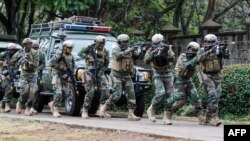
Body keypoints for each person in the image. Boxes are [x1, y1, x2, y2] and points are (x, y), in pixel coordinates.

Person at [164, 41, 214, 125]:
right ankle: (167, 115)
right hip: (179, 79)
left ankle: (201, 118)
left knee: (196, 98)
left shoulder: (196, 56)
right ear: (188, 48)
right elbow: (187, 65)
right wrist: (197, 58)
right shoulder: (183, 56)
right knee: (177, 97)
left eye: (196, 50)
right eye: (193, 49)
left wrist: (208, 52)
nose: (194, 51)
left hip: (188, 79)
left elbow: (200, 60)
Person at [99, 34, 141, 121]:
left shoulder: (129, 49)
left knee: (131, 94)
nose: (125, 43)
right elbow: (117, 56)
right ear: (119, 42)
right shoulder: (116, 48)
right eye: (124, 42)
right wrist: (128, 51)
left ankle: (131, 113)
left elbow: (137, 56)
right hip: (116, 75)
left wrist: (141, 51)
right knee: (116, 95)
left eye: (126, 42)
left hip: (127, 75)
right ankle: (104, 107)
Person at [196, 34, 229, 126]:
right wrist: (210, 51)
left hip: (217, 74)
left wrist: (224, 49)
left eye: (212, 42)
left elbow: (227, 57)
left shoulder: (219, 49)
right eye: (208, 42)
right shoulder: (202, 50)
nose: (210, 43)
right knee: (213, 95)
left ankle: (207, 116)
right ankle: (214, 118)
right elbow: (198, 59)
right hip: (205, 75)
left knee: (216, 96)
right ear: (205, 42)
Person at [144, 34, 175, 125]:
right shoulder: (151, 49)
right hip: (157, 74)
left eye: (159, 43)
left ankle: (167, 117)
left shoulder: (167, 48)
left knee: (170, 96)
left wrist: (166, 51)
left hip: (168, 73)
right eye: (155, 43)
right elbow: (146, 61)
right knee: (160, 93)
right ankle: (152, 109)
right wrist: (153, 52)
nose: (157, 44)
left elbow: (172, 58)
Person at [78, 35, 110, 119]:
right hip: (89, 72)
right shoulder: (90, 48)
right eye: (99, 43)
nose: (101, 45)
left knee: (106, 90)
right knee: (90, 92)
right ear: (96, 42)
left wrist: (102, 70)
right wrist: (88, 57)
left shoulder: (105, 51)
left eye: (102, 43)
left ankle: (101, 110)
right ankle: (85, 110)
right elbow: (80, 53)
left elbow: (107, 62)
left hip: (100, 73)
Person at [48, 40, 75, 117]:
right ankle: (55, 110)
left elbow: (72, 67)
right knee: (58, 92)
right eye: (69, 48)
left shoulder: (71, 56)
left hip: (66, 77)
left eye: (71, 48)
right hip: (58, 75)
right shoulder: (59, 54)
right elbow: (51, 62)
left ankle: (52, 103)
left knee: (66, 94)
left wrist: (70, 75)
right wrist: (61, 67)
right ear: (65, 48)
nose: (70, 50)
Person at [12, 38, 39, 116]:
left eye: (30, 44)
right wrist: (19, 58)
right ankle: (20, 102)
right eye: (27, 44)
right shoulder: (21, 52)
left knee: (32, 92)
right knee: (25, 91)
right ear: (24, 45)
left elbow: (36, 65)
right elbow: (13, 60)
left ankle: (28, 109)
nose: (29, 45)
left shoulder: (35, 53)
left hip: (33, 74)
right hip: (24, 74)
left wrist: (29, 61)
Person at [0, 43, 19, 113]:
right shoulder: (2, 55)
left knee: (9, 89)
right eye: (10, 50)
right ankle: (4, 105)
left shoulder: (15, 56)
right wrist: (4, 73)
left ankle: (4, 105)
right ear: (7, 49)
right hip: (2, 74)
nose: (12, 51)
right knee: (6, 89)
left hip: (10, 76)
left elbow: (16, 66)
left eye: (13, 50)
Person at [29, 40, 45, 114]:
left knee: (37, 90)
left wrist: (38, 69)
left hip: (38, 74)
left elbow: (43, 63)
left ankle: (34, 107)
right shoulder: (28, 53)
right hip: (29, 74)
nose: (35, 49)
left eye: (36, 48)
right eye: (33, 48)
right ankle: (28, 106)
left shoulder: (41, 53)